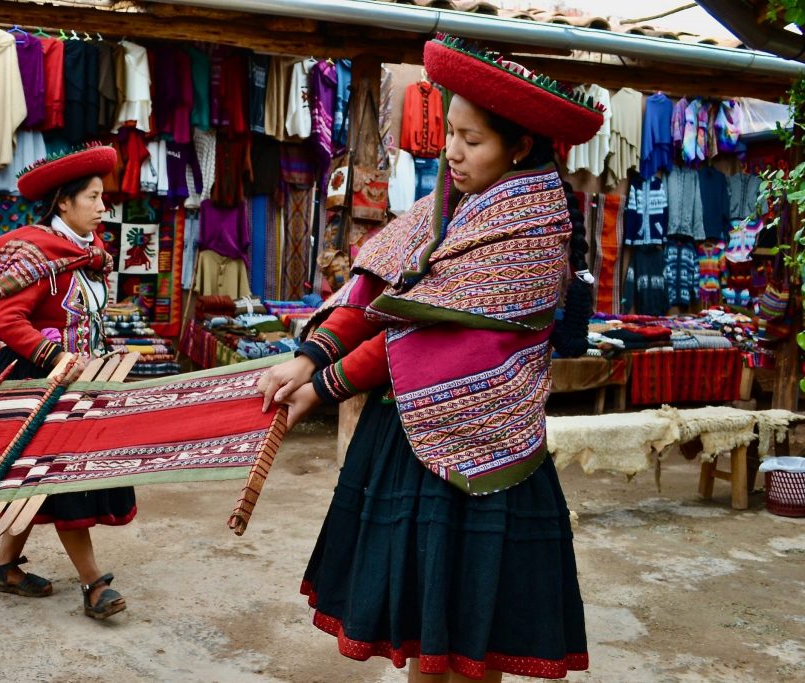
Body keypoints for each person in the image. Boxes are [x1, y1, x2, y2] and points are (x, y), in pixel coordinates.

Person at [258, 36, 604, 681]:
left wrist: (328, 383)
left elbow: (433, 339)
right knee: (424, 631)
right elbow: (377, 289)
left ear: (519, 147)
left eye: (471, 140)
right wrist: (307, 358)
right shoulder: (443, 204)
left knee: (475, 639)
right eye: (451, 133)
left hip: (489, 448)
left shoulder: (534, 236)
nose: (451, 151)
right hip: (408, 436)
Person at [0, 144, 132, 620]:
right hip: (37, 381)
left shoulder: (87, 254)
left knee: (33, 484)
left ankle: (6, 569)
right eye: (94, 197)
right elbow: (4, 319)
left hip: (77, 381)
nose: (103, 207)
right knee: (65, 485)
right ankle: (92, 584)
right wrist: (55, 356)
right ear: (63, 203)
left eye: (103, 198)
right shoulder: (33, 253)